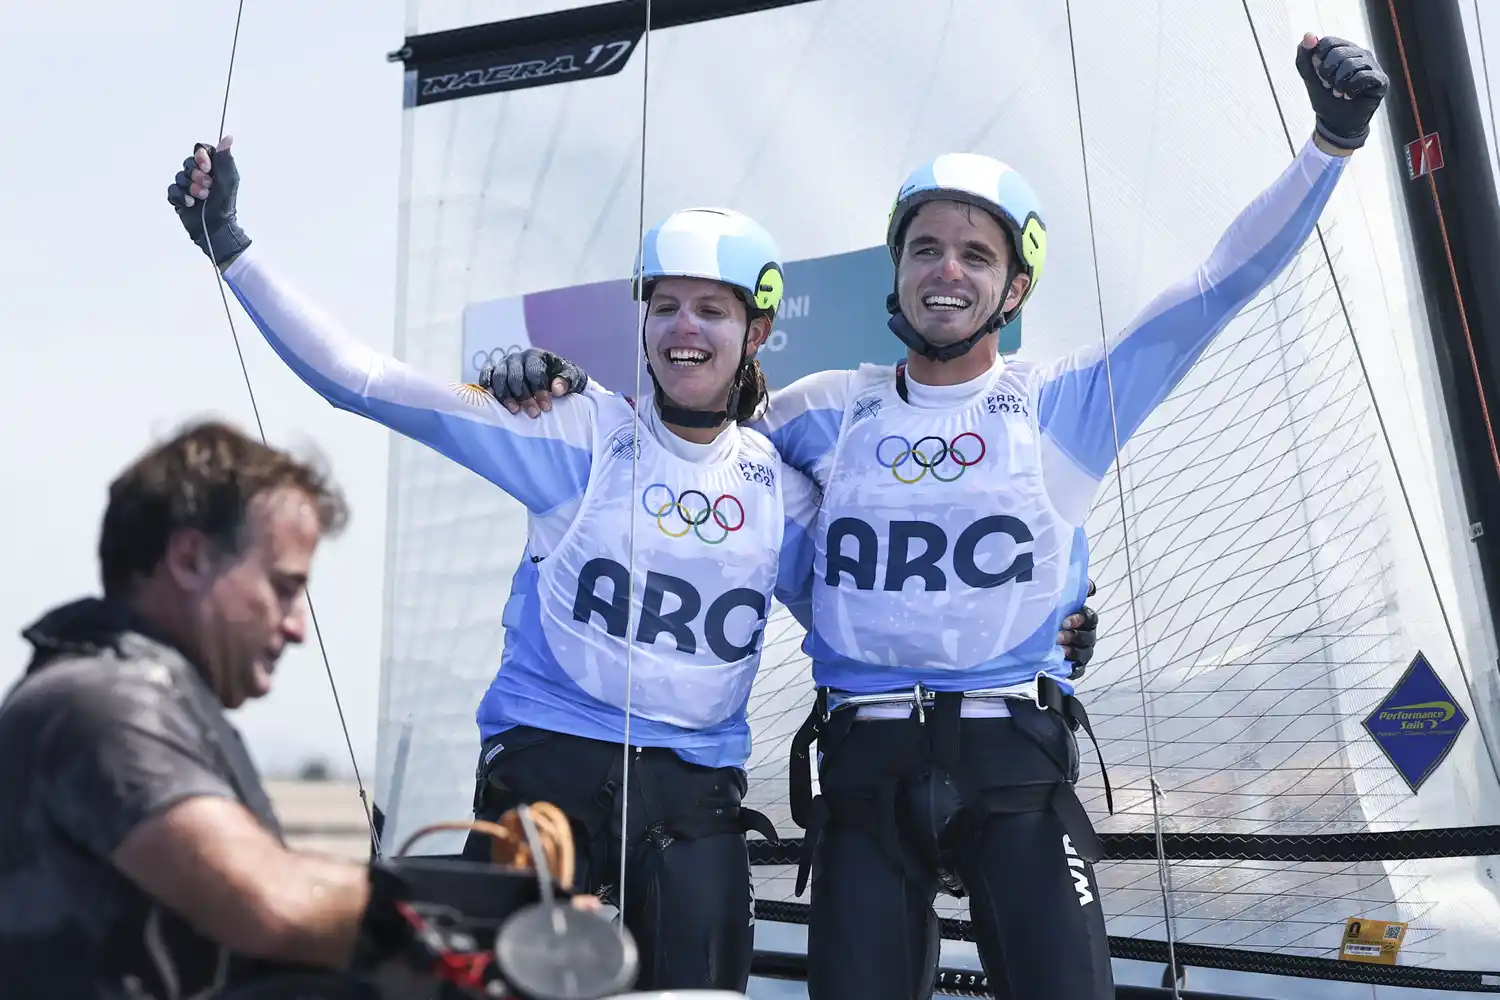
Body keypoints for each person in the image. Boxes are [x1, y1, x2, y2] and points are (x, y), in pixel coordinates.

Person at [477, 31, 1388, 1000]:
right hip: (863, 775)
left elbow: (1216, 285)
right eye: (925, 248)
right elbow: (682, 453)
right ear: (899, 270)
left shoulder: (1063, 402)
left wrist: (1330, 143)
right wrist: (559, 389)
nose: (946, 270)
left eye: (974, 254)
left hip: (1013, 766)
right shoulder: (819, 412)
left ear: (1014, 287)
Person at [166, 145, 825, 993]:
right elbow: (360, 380)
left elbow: (874, 629)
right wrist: (230, 246)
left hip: (695, 798)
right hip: (549, 770)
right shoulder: (574, 433)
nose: (683, 329)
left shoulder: (781, 494)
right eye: (664, 307)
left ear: (756, 332)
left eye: (711, 311)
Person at [0, 419, 482, 998]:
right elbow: (271, 902)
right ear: (190, 559)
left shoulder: (139, 699)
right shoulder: (103, 704)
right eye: (283, 588)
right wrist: (499, 926)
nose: (298, 627)